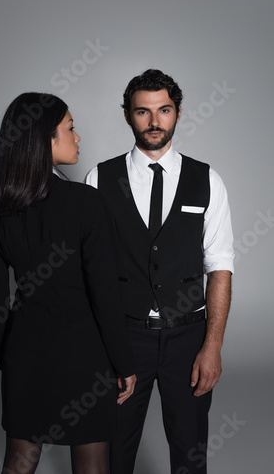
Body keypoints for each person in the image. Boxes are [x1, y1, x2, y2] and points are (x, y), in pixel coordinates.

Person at [0, 92, 136, 474]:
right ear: (46, 138)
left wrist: (9, 358)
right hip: (86, 358)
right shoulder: (86, 202)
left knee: (19, 462)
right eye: (70, 128)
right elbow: (105, 294)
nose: (78, 137)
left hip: (25, 357)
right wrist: (124, 363)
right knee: (92, 466)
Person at [86, 69, 234, 474]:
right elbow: (89, 273)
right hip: (123, 337)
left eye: (164, 110)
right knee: (113, 455)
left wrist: (212, 346)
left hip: (189, 337)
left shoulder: (208, 180)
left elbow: (220, 267)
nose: (154, 122)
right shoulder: (99, 179)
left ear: (178, 113)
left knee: (190, 456)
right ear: (127, 116)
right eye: (143, 112)